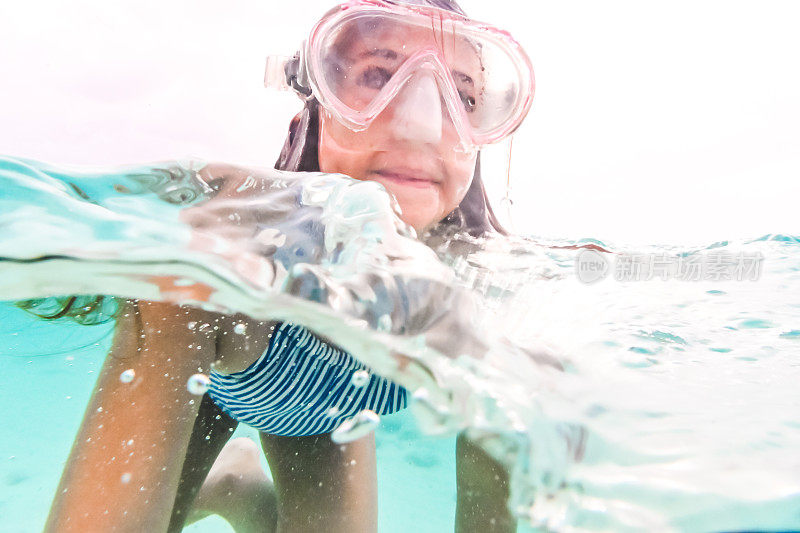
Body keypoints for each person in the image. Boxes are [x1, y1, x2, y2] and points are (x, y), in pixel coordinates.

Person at [44, 1, 536, 531]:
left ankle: (244, 490)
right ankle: (225, 478)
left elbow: (492, 504)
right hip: (224, 378)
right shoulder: (227, 252)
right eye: (376, 75)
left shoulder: (495, 305)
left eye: (461, 96)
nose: (422, 124)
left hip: (334, 411)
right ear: (315, 110)